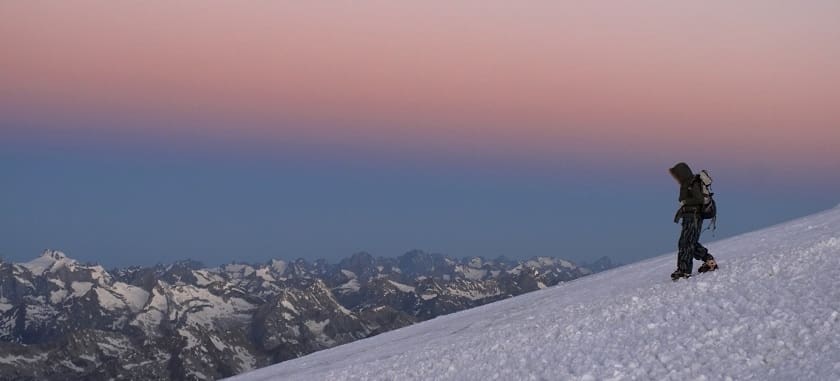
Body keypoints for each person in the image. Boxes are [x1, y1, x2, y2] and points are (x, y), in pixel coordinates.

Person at [669, 162, 718, 280]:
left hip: (694, 217)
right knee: (690, 242)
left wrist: (685, 203)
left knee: (686, 243)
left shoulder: (691, 183)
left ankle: (684, 271)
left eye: (677, 174)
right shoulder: (687, 183)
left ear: (682, 173)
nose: (676, 178)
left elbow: (700, 199)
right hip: (690, 217)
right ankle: (709, 260)